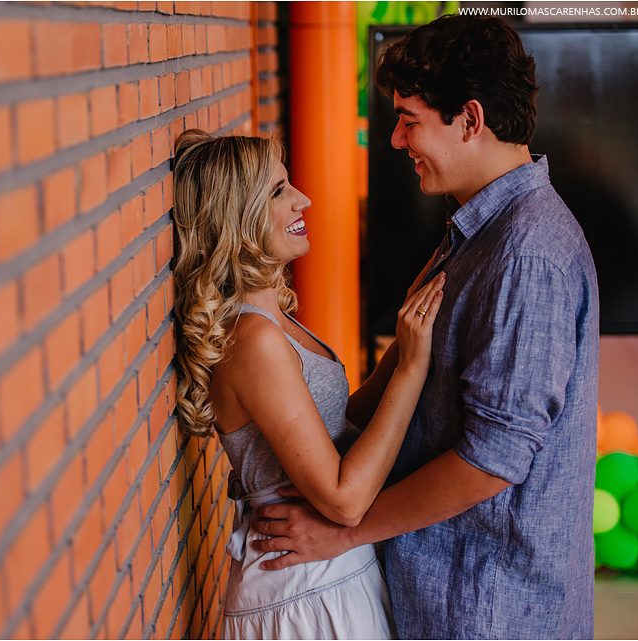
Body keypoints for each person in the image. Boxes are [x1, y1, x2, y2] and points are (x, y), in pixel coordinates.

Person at [250, 14, 600, 640]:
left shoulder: (525, 254)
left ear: (470, 120)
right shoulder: (476, 230)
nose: (395, 140)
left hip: (486, 611)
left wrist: (343, 530)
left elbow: (490, 462)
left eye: (409, 119)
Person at [171, 128, 445, 639]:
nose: (304, 198)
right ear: (238, 216)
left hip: (325, 571)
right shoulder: (252, 338)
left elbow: (337, 426)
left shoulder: (270, 319)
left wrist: (402, 347)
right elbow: (343, 499)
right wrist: (410, 369)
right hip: (298, 586)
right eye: (278, 191)